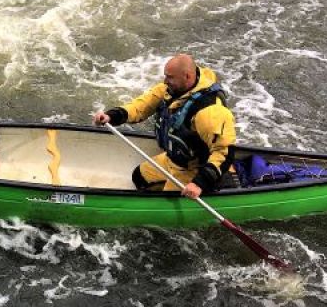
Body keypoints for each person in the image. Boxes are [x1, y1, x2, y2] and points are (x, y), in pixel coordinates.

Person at [93, 54, 236, 199]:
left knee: (165, 199)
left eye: (170, 77)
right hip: (173, 160)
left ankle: (215, 183)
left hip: (194, 170)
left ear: (187, 76)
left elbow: (224, 153)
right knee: (139, 177)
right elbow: (140, 106)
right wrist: (111, 116)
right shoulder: (170, 89)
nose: (165, 81)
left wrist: (198, 184)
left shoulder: (210, 111)